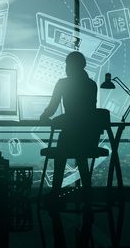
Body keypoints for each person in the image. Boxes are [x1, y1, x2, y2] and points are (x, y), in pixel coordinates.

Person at [40, 51, 98, 206]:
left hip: (71, 137)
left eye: (67, 65)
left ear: (71, 66)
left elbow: (52, 108)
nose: (66, 68)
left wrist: (44, 117)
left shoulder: (63, 84)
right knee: (81, 155)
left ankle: (55, 193)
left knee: (62, 152)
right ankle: (87, 192)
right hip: (89, 139)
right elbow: (88, 112)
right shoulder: (91, 84)